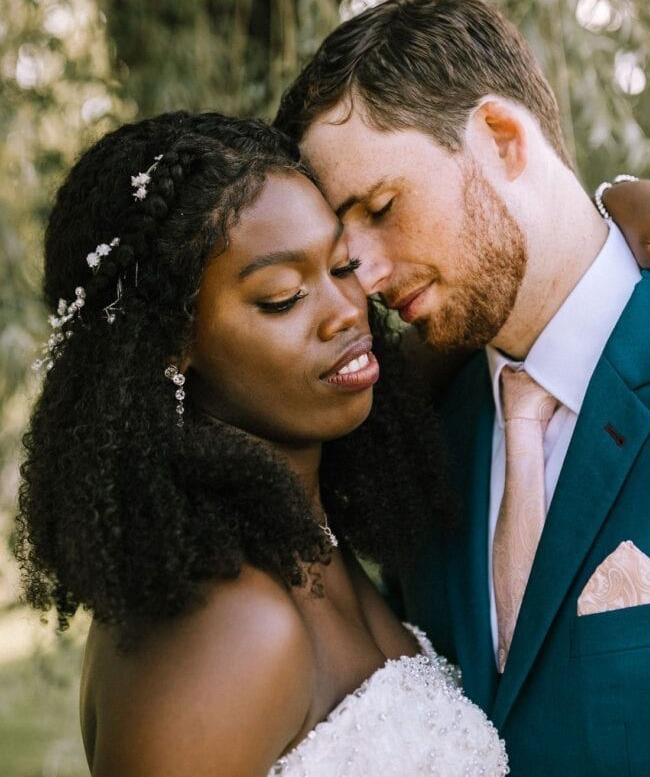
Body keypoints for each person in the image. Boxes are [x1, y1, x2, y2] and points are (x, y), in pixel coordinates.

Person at [15, 111, 509, 776]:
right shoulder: (227, 626)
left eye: (342, 265)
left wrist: (619, 210)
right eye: (282, 297)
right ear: (169, 347)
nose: (345, 309)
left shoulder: (301, 532)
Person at [274, 0, 650, 776]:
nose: (367, 278)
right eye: (342, 247)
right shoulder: (410, 439)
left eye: (383, 208)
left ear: (501, 137)